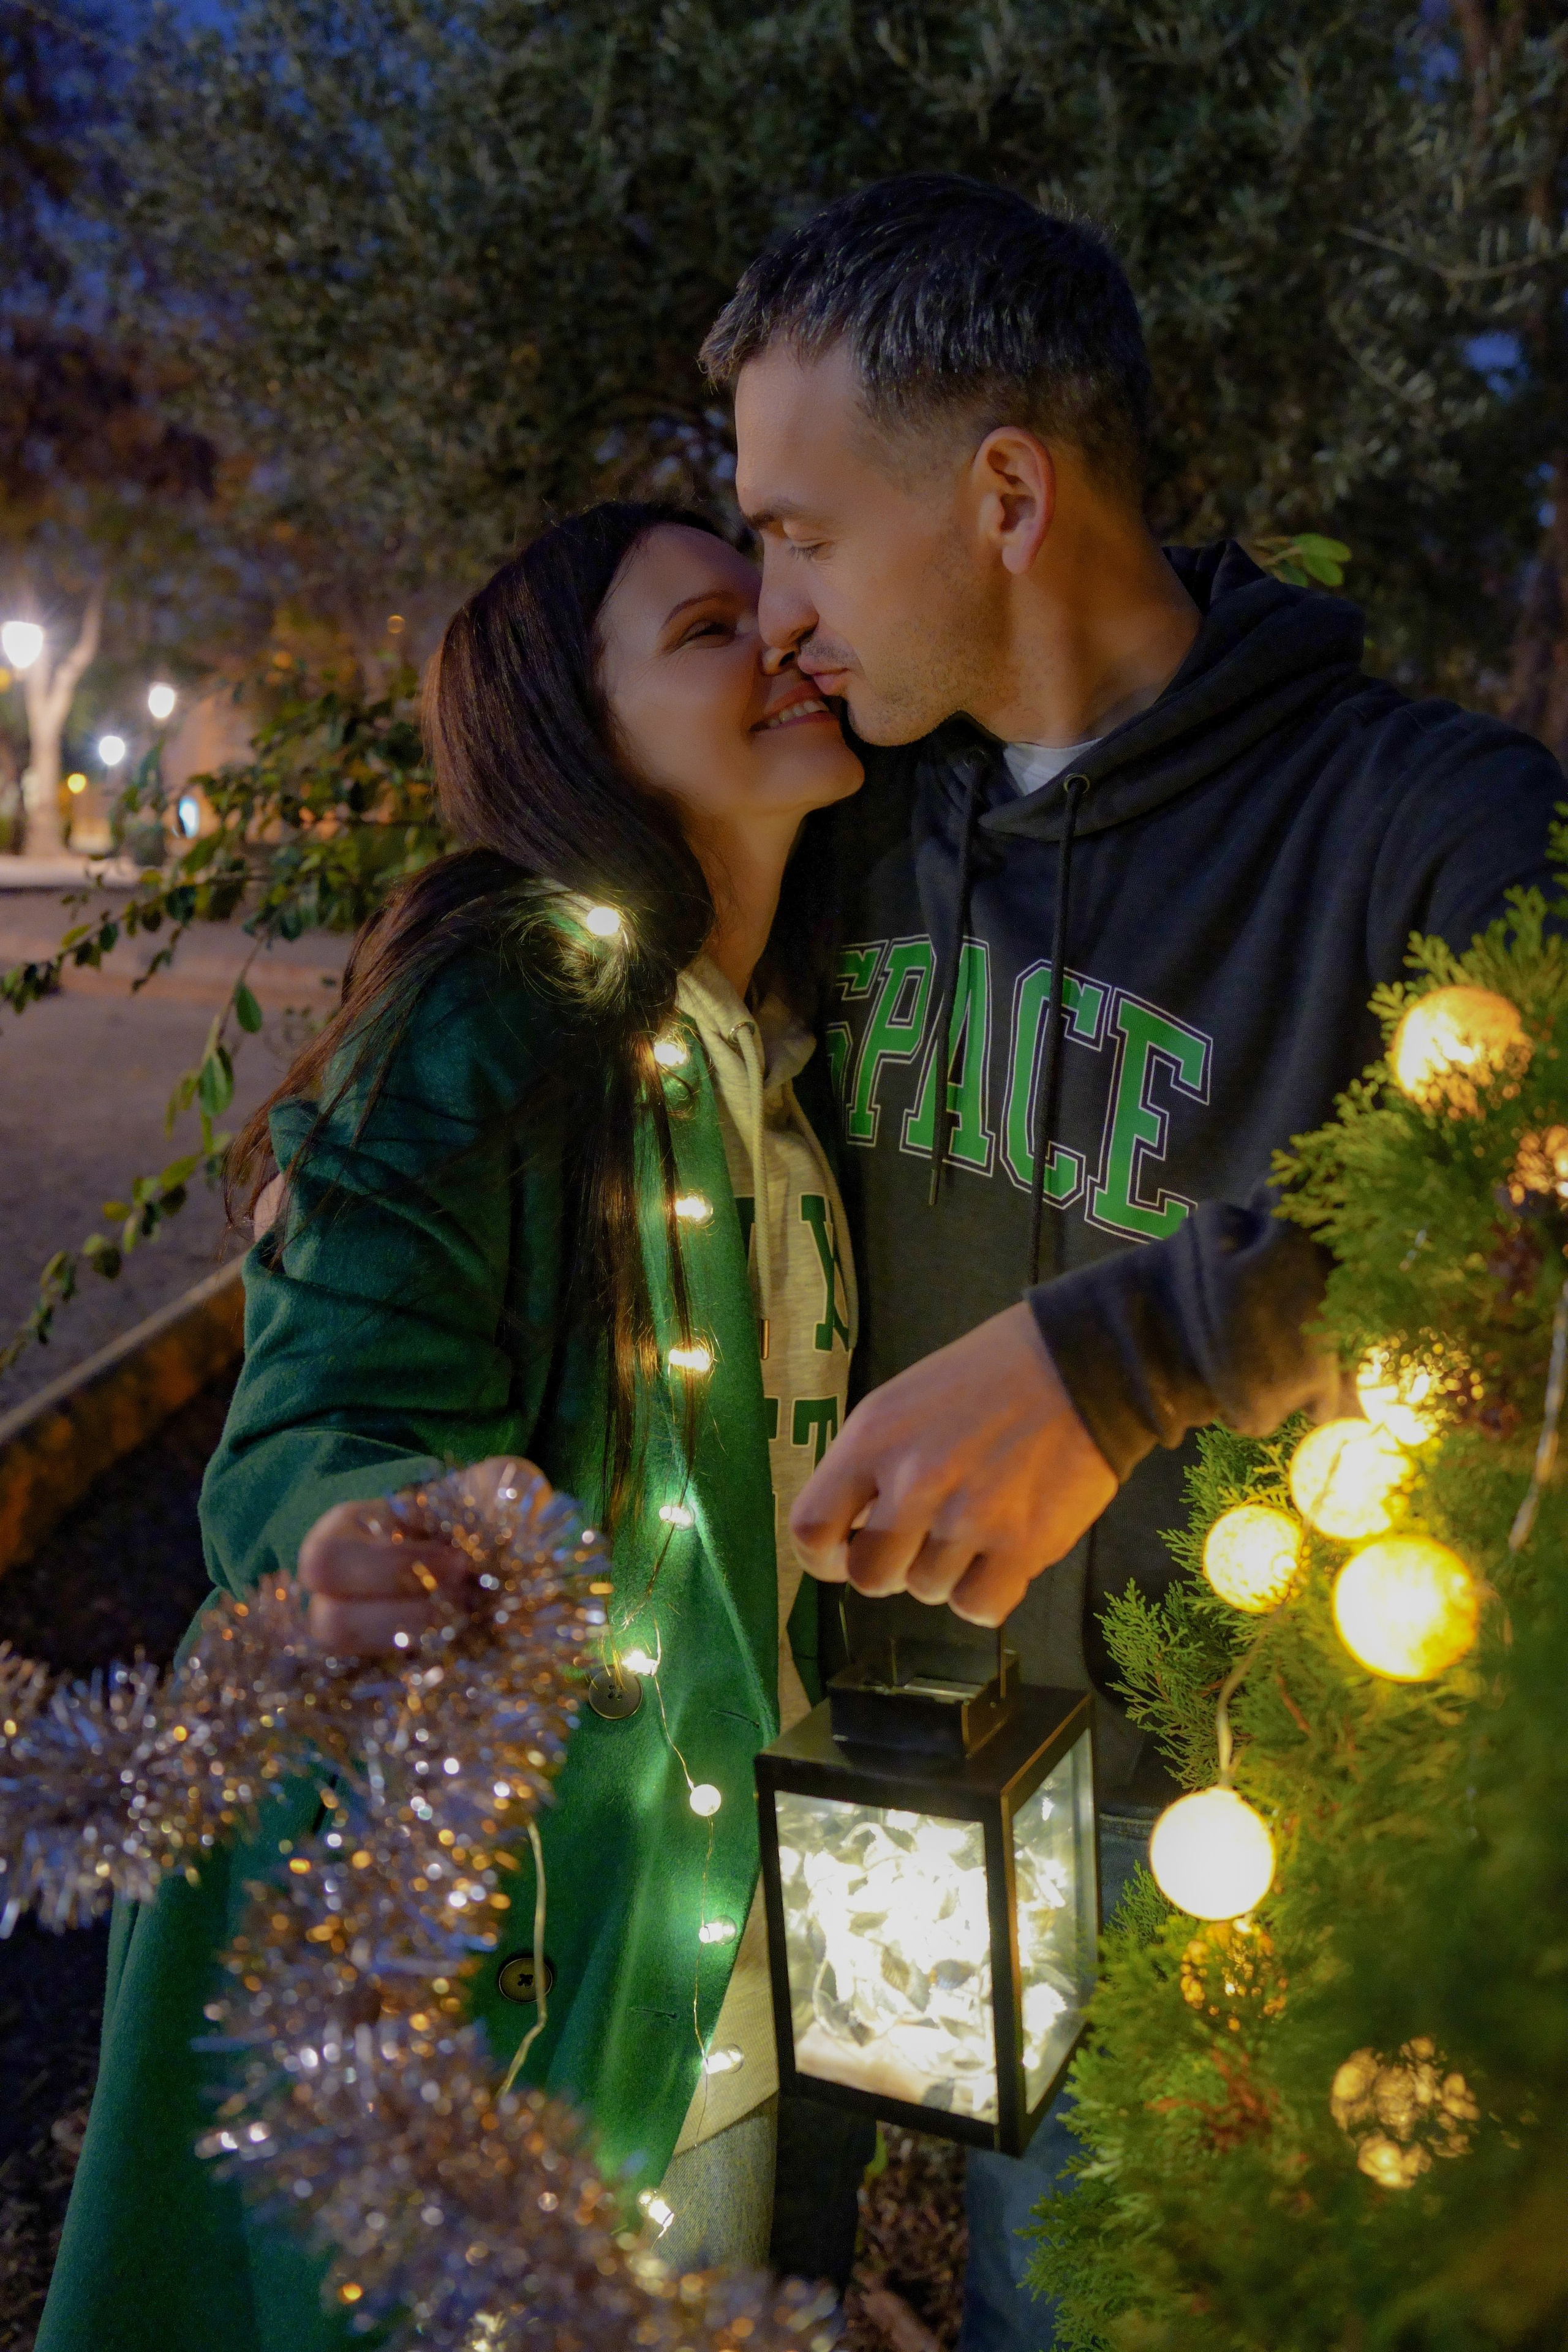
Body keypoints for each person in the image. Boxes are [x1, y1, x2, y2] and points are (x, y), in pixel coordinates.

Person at [699, 173, 1566, 2350]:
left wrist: (1128, 1359)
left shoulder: (1428, 822)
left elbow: (1538, 1191)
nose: (771, 609)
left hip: (1257, 1862)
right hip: (892, 1799)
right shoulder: (855, 829)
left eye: (801, 534)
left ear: (1005, 496)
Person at [37, 503, 869, 2352]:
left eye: (777, 599)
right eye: (708, 629)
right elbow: (330, 1390)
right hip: (513, 1939)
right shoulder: (510, 998)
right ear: (576, 732)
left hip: (706, 1940)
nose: (786, 634)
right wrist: (370, 1523)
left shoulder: (779, 1048)